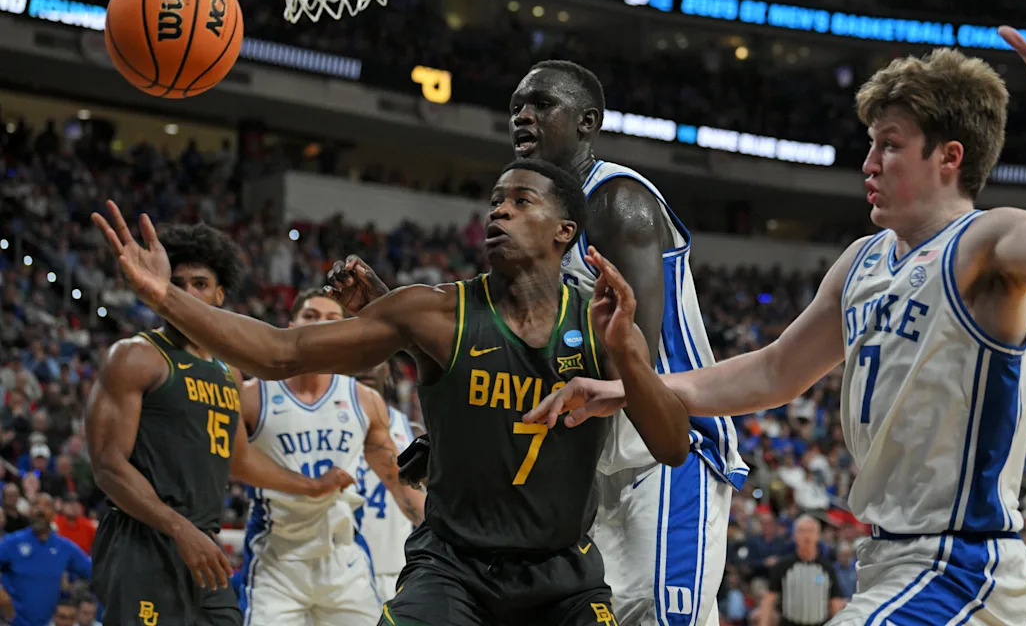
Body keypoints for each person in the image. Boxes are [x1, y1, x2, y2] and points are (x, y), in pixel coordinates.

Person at [530, 0, 1026, 625]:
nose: (868, 164)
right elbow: (774, 372)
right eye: (871, 146)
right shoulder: (862, 262)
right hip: (887, 562)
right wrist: (632, 389)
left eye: (890, 147)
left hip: (962, 568)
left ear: (949, 158)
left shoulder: (985, 242)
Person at [92, 158, 692, 626]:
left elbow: (672, 446)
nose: (499, 211)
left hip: (562, 577)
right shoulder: (434, 312)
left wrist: (628, 354)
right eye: (494, 201)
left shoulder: (599, 322)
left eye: (520, 201)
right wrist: (163, 296)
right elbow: (278, 352)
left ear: (565, 231)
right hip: (455, 570)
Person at [328, 59, 746, 626]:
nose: (522, 116)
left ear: (587, 122)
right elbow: (515, 352)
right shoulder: (535, 222)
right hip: (586, 465)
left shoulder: (617, 202)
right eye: (516, 107)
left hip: (663, 457)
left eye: (542, 104)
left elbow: (632, 358)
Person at [85, 222, 354, 626]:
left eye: (200, 284)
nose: (188, 293)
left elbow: (239, 460)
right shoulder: (135, 356)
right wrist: (179, 529)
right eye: (177, 284)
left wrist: (312, 486)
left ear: (220, 294)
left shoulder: (229, 371)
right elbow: (108, 466)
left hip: (201, 543)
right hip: (143, 539)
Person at [240, 289, 424, 626]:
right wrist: (310, 486)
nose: (319, 325)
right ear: (290, 325)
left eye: (331, 319)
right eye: (310, 316)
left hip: (344, 559)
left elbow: (397, 480)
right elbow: (233, 464)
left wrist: (445, 527)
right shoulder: (252, 396)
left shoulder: (364, 400)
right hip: (277, 558)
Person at [355, 361, 426, 597]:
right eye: (358, 359)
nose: (365, 367)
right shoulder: (331, 426)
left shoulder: (412, 431)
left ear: (386, 370)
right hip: (343, 567)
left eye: (374, 360)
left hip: (395, 567)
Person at [0, 493, 91, 626]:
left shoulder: (64, 547)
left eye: (46, 506)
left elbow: (92, 570)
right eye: (36, 505)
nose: (40, 510)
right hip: (12, 621)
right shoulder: (12, 542)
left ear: (54, 514)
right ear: (29, 511)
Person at [760, 517, 845, 626]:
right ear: (794, 536)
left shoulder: (828, 570)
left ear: (818, 536)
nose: (806, 536)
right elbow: (769, 599)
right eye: (801, 531)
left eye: (810, 531)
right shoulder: (782, 567)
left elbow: (835, 602)